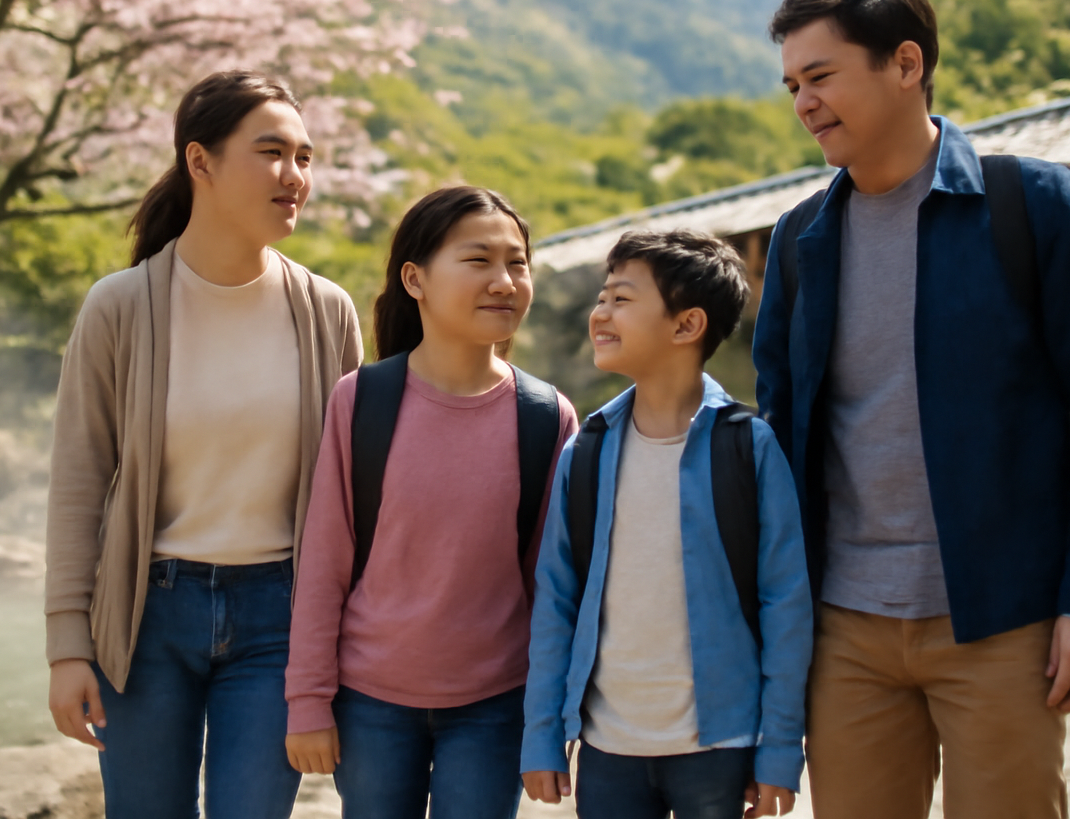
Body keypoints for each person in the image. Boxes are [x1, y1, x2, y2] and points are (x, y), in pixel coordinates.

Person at [754, 0, 1070, 819]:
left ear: (906, 63)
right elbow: (783, 432)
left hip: (1004, 619)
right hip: (844, 629)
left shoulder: (1039, 206)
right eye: (792, 86)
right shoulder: (799, 241)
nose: (804, 104)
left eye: (821, 77)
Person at [44, 71, 362, 819]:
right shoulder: (119, 307)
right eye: (272, 153)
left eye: (305, 157)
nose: (295, 176)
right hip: (145, 620)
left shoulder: (327, 312)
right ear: (200, 161)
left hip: (281, 622)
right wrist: (67, 647)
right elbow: (79, 483)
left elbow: (353, 496)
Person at [284, 185, 578, 819]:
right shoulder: (360, 400)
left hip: (495, 705)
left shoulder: (545, 416)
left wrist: (548, 719)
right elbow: (325, 563)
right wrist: (308, 701)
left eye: (518, 263)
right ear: (415, 279)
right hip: (370, 702)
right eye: (478, 260)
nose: (504, 281)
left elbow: (552, 585)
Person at [522, 229, 813, 819]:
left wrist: (780, 748)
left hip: (719, 747)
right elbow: (557, 598)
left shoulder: (748, 447)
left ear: (687, 325)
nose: (601, 313)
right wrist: (542, 734)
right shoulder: (587, 450)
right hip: (607, 747)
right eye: (601, 298)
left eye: (622, 299)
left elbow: (785, 604)